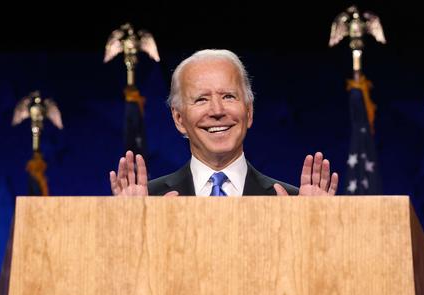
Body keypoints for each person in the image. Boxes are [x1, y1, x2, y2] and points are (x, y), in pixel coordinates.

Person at [109, 49, 339, 197]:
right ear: (179, 119)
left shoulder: (291, 202)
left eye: (228, 96)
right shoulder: (150, 201)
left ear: (249, 112)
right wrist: (129, 226)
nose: (217, 111)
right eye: (201, 99)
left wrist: (315, 227)